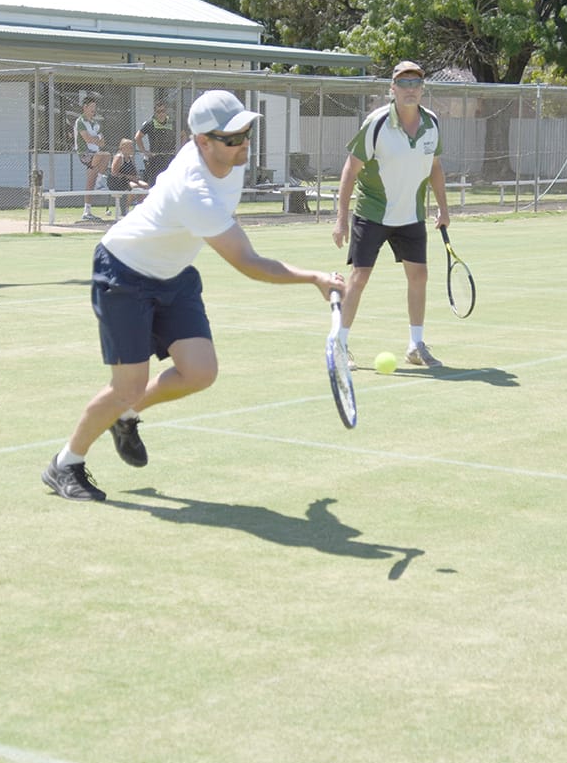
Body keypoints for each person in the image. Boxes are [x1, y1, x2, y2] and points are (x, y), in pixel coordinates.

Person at [43, 90, 343, 502]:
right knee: (128, 385)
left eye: (247, 132)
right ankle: (65, 463)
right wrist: (313, 278)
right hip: (124, 271)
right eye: (233, 137)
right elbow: (248, 263)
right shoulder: (193, 190)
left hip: (173, 273)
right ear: (203, 142)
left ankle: (125, 416)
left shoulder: (227, 157)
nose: (244, 143)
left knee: (200, 371)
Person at [333, 61, 450, 370]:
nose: (410, 89)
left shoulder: (433, 123)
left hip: (411, 214)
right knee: (360, 278)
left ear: (423, 89)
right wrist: (341, 218)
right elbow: (350, 167)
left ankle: (416, 345)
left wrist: (443, 208)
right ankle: (339, 346)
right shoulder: (377, 123)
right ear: (393, 89)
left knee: (419, 276)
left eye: (416, 83)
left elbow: (435, 167)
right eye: (404, 83)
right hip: (372, 213)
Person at [74, 92, 113, 221]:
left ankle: (87, 211)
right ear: (84, 107)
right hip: (85, 154)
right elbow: (87, 139)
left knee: (106, 156)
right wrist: (95, 139)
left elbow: (103, 142)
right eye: (91, 106)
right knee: (103, 154)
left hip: (95, 156)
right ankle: (99, 182)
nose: (93, 110)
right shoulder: (80, 121)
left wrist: (95, 139)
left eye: (95, 107)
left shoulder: (96, 123)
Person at [135, 97, 178, 182]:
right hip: (155, 158)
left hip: (169, 157)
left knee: (170, 181)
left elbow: (183, 135)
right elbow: (137, 137)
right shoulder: (150, 123)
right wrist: (144, 151)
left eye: (163, 111)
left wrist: (179, 149)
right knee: (155, 183)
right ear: (155, 112)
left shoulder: (172, 123)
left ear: (166, 111)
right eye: (158, 112)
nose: (161, 114)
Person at [107, 138, 149, 217]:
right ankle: (125, 208)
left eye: (132, 146)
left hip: (130, 180)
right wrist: (128, 177)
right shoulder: (119, 157)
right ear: (122, 147)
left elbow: (134, 171)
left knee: (145, 186)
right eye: (129, 146)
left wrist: (136, 177)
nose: (132, 148)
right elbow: (114, 173)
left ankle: (138, 208)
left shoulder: (131, 157)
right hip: (119, 181)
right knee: (135, 187)